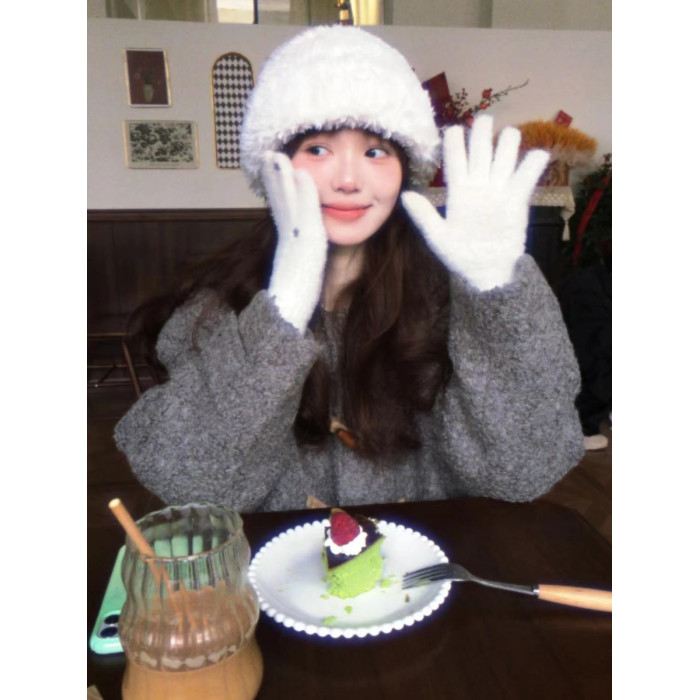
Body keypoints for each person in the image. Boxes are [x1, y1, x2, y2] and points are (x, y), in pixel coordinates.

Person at [114, 26, 584, 513]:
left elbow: (522, 472)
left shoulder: (442, 301)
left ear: (405, 171)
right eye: (318, 149)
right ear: (273, 168)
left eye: (375, 151)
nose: (347, 179)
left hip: (426, 556)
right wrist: (280, 313)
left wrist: (495, 299)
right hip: (276, 558)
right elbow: (192, 487)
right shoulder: (216, 307)